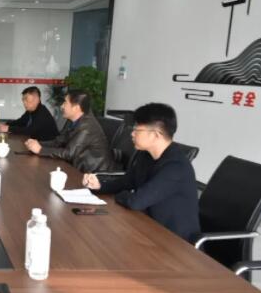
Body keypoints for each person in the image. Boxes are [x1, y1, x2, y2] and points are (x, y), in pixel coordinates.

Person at [82, 103, 200, 242]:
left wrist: (122, 195)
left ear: (155, 135)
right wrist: (100, 186)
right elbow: (127, 182)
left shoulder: (176, 167)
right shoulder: (145, 155)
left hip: (176, 243)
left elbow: (135, 202)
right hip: (149, 227)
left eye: (136, 129)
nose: (132, 134)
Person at [24, 90, 115, 172]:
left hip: (95, 175)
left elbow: (69, 153)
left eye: (65, 103)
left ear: (76, 108)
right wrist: (38, 144)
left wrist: (40, 150)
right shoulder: (72, 120)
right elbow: (58, 142)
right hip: (78, 167)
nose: (62, 106)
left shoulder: (87, 127)